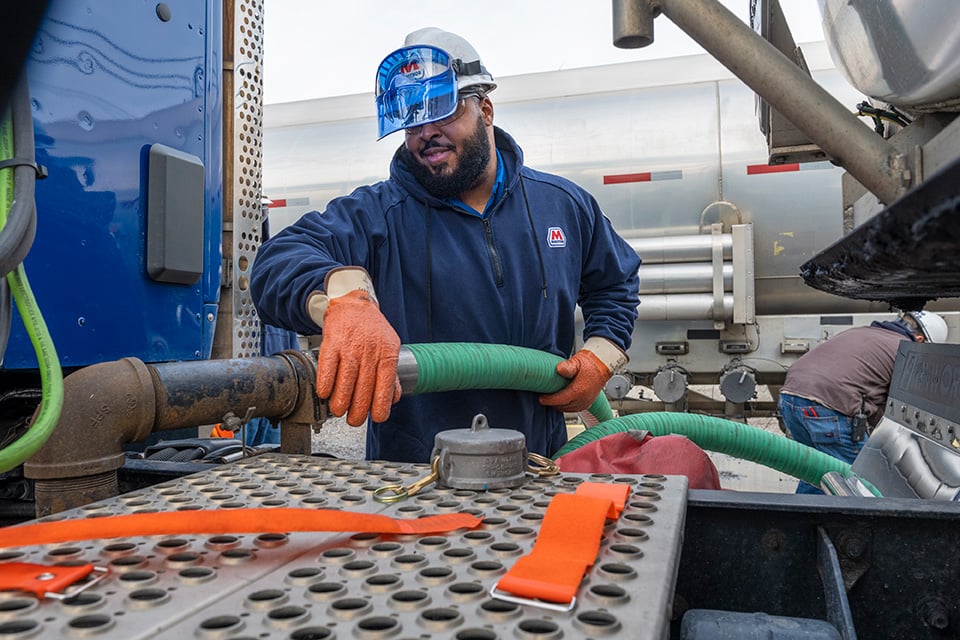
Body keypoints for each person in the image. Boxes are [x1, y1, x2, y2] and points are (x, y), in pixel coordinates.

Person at [250, 27, 641, 462]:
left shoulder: (562, 206)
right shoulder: (379, 214)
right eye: (412, 118)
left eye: (442, 111)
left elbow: (615, 282)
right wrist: (344, 299)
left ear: (486, 109)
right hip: (415, 477)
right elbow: (274, 263)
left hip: (538, 465)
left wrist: (601, 355)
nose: (426, 132)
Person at [778, 310, 948, 493]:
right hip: (830, 406)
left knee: (816, 471)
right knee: (855, 479)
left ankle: (805, 519)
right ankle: (851, 522)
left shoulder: (861, 332)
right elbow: (895, 408)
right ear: (921, 340)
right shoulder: (906, 350)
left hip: (790, 397)